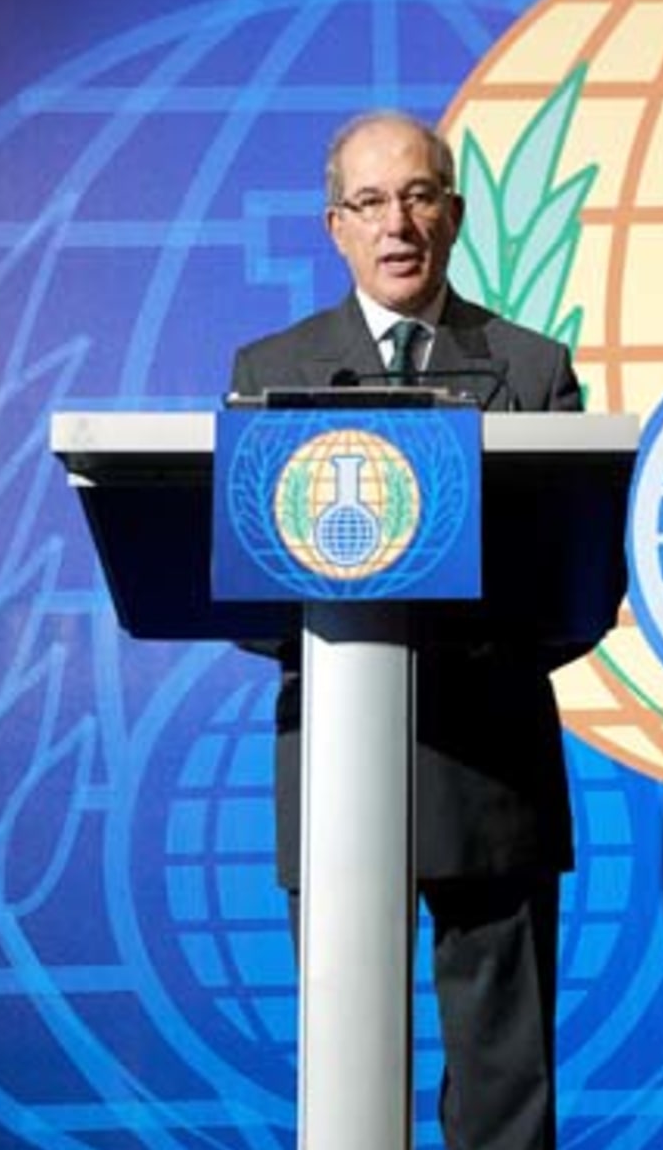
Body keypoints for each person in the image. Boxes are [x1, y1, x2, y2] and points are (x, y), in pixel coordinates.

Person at [229, 111, 581, 1150]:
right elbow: (249, 590)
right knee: (349, 1076)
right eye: (373, 202)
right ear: (335, 225)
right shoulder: (272, 366)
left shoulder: (532, 368)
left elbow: (568, 578)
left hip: (491, 769)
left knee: (505, 1079)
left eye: (422, 195)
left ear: (456, 216)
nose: (400, 222)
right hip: (338, 768)